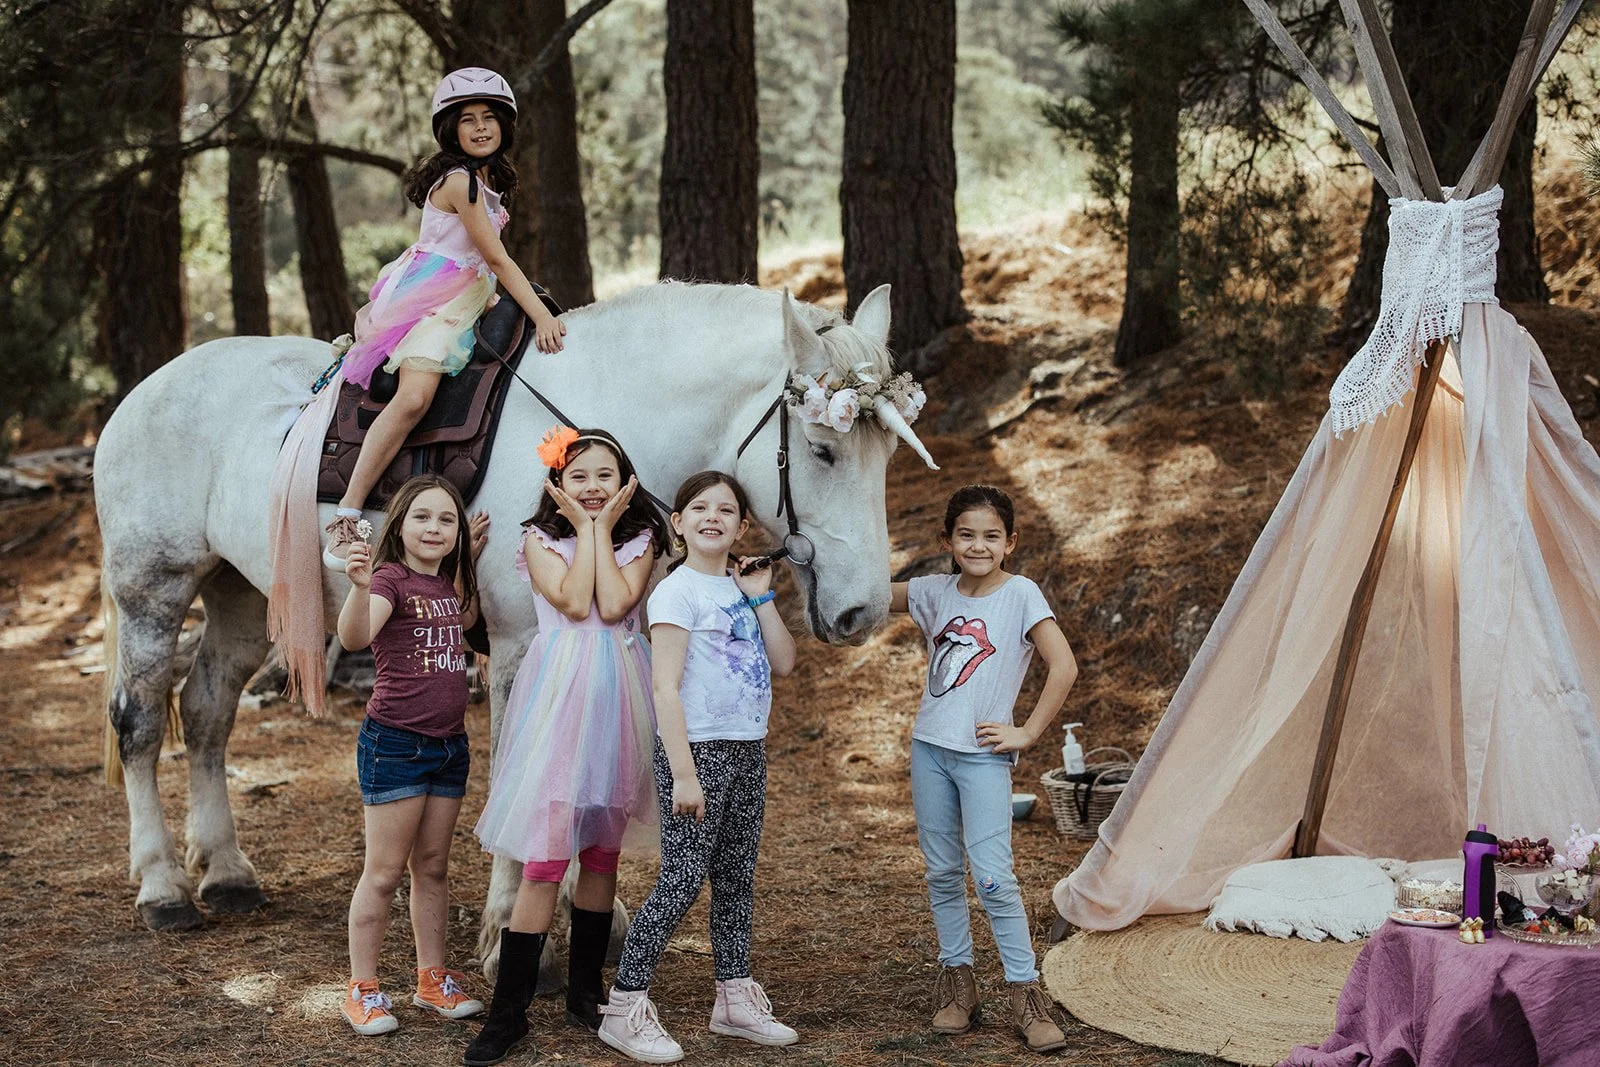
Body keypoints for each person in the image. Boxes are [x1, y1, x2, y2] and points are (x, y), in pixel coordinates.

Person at [465, 428, 669, 1066]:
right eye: (578, 475)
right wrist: (588, 530)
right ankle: (510, 1011)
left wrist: (603, 530)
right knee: (546, 858)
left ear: (625, 482)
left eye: (605, 475)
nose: (592, 487)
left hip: (618, 701)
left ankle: (586, 991)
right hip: (559, 701)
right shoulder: (538, 539)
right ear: (557, 484)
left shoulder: (642, 539)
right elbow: (576, 600)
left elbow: (615, 604)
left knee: (602, 853)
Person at [324, 67, 566, 567]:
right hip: (434, 294)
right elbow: (497, 258)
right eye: (468, 120)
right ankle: (347, 512)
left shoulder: (487, 180)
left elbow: (486, 264)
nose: (480, 128)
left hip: (469, 291)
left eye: (490, 118)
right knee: (415, 396)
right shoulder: (459, 182)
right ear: (450, 130)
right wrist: (541, 313)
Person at [595, 472, 799, 1064]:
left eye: (728, 509)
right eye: (700, 508)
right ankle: (624, 1006)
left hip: (746, 747)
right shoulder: (676, 591)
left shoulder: (742, 588)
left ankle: (734, 998)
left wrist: (762, 595)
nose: (715, 516)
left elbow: (783, 662)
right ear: (678, 523)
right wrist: (683, 772)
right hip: (698, 751)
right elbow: (664, 688)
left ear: (742, 525)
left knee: (735, 877)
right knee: (683, 879)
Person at [889, 485, 1078, 1054]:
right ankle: (958, 984)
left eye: (991, 536)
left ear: (1010, 543)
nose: (978, 545)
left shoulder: (1020, 594)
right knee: (943, 873)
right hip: (930, 751)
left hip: (983, 760)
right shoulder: (932, 591)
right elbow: (864, 593)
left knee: (994, 878)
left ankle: (1025, 994)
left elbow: (1063, 665)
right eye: (966, 534)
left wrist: (1026, 732)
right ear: (947, 540)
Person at [337, 474, 488, 1037]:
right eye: (422, 517)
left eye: (445, 520)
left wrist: (473, 548)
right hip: (397, 744)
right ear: (398, 523)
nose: (434, 527)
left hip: (450, 747)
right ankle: (363, 989)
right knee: (382, 873)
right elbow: (355, 637)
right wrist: (357, 585)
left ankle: (432, 979)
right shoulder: (388, 581)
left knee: (433, 868)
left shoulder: (447, 584)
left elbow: (465, 622)